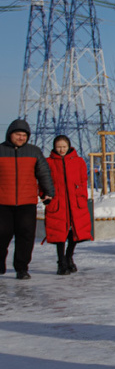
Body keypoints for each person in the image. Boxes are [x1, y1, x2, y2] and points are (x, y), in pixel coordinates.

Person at [0, 120, 54, 280]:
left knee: (25, 236)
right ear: (10, 134)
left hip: (27, 202)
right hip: (2, 202)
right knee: (2, 235)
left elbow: (43, 173)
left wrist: (48, 192)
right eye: (18, 134)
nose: (21, 138)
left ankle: (22, 268)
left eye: (24, 135)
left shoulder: (34, 151)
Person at [44, 135, 93, 275]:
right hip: (58, 203)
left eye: (64, 147)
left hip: (75, 202)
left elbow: (83, 180)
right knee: (59, 234)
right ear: (54, 147)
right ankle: (61, 262)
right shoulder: (48, 162)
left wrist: (82, 195)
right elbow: (43, 180)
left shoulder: (78, 161)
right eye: (58, 147)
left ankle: (69, 256)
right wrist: (45, 195)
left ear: (69, 146)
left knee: (75, 232)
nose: (61, 149)